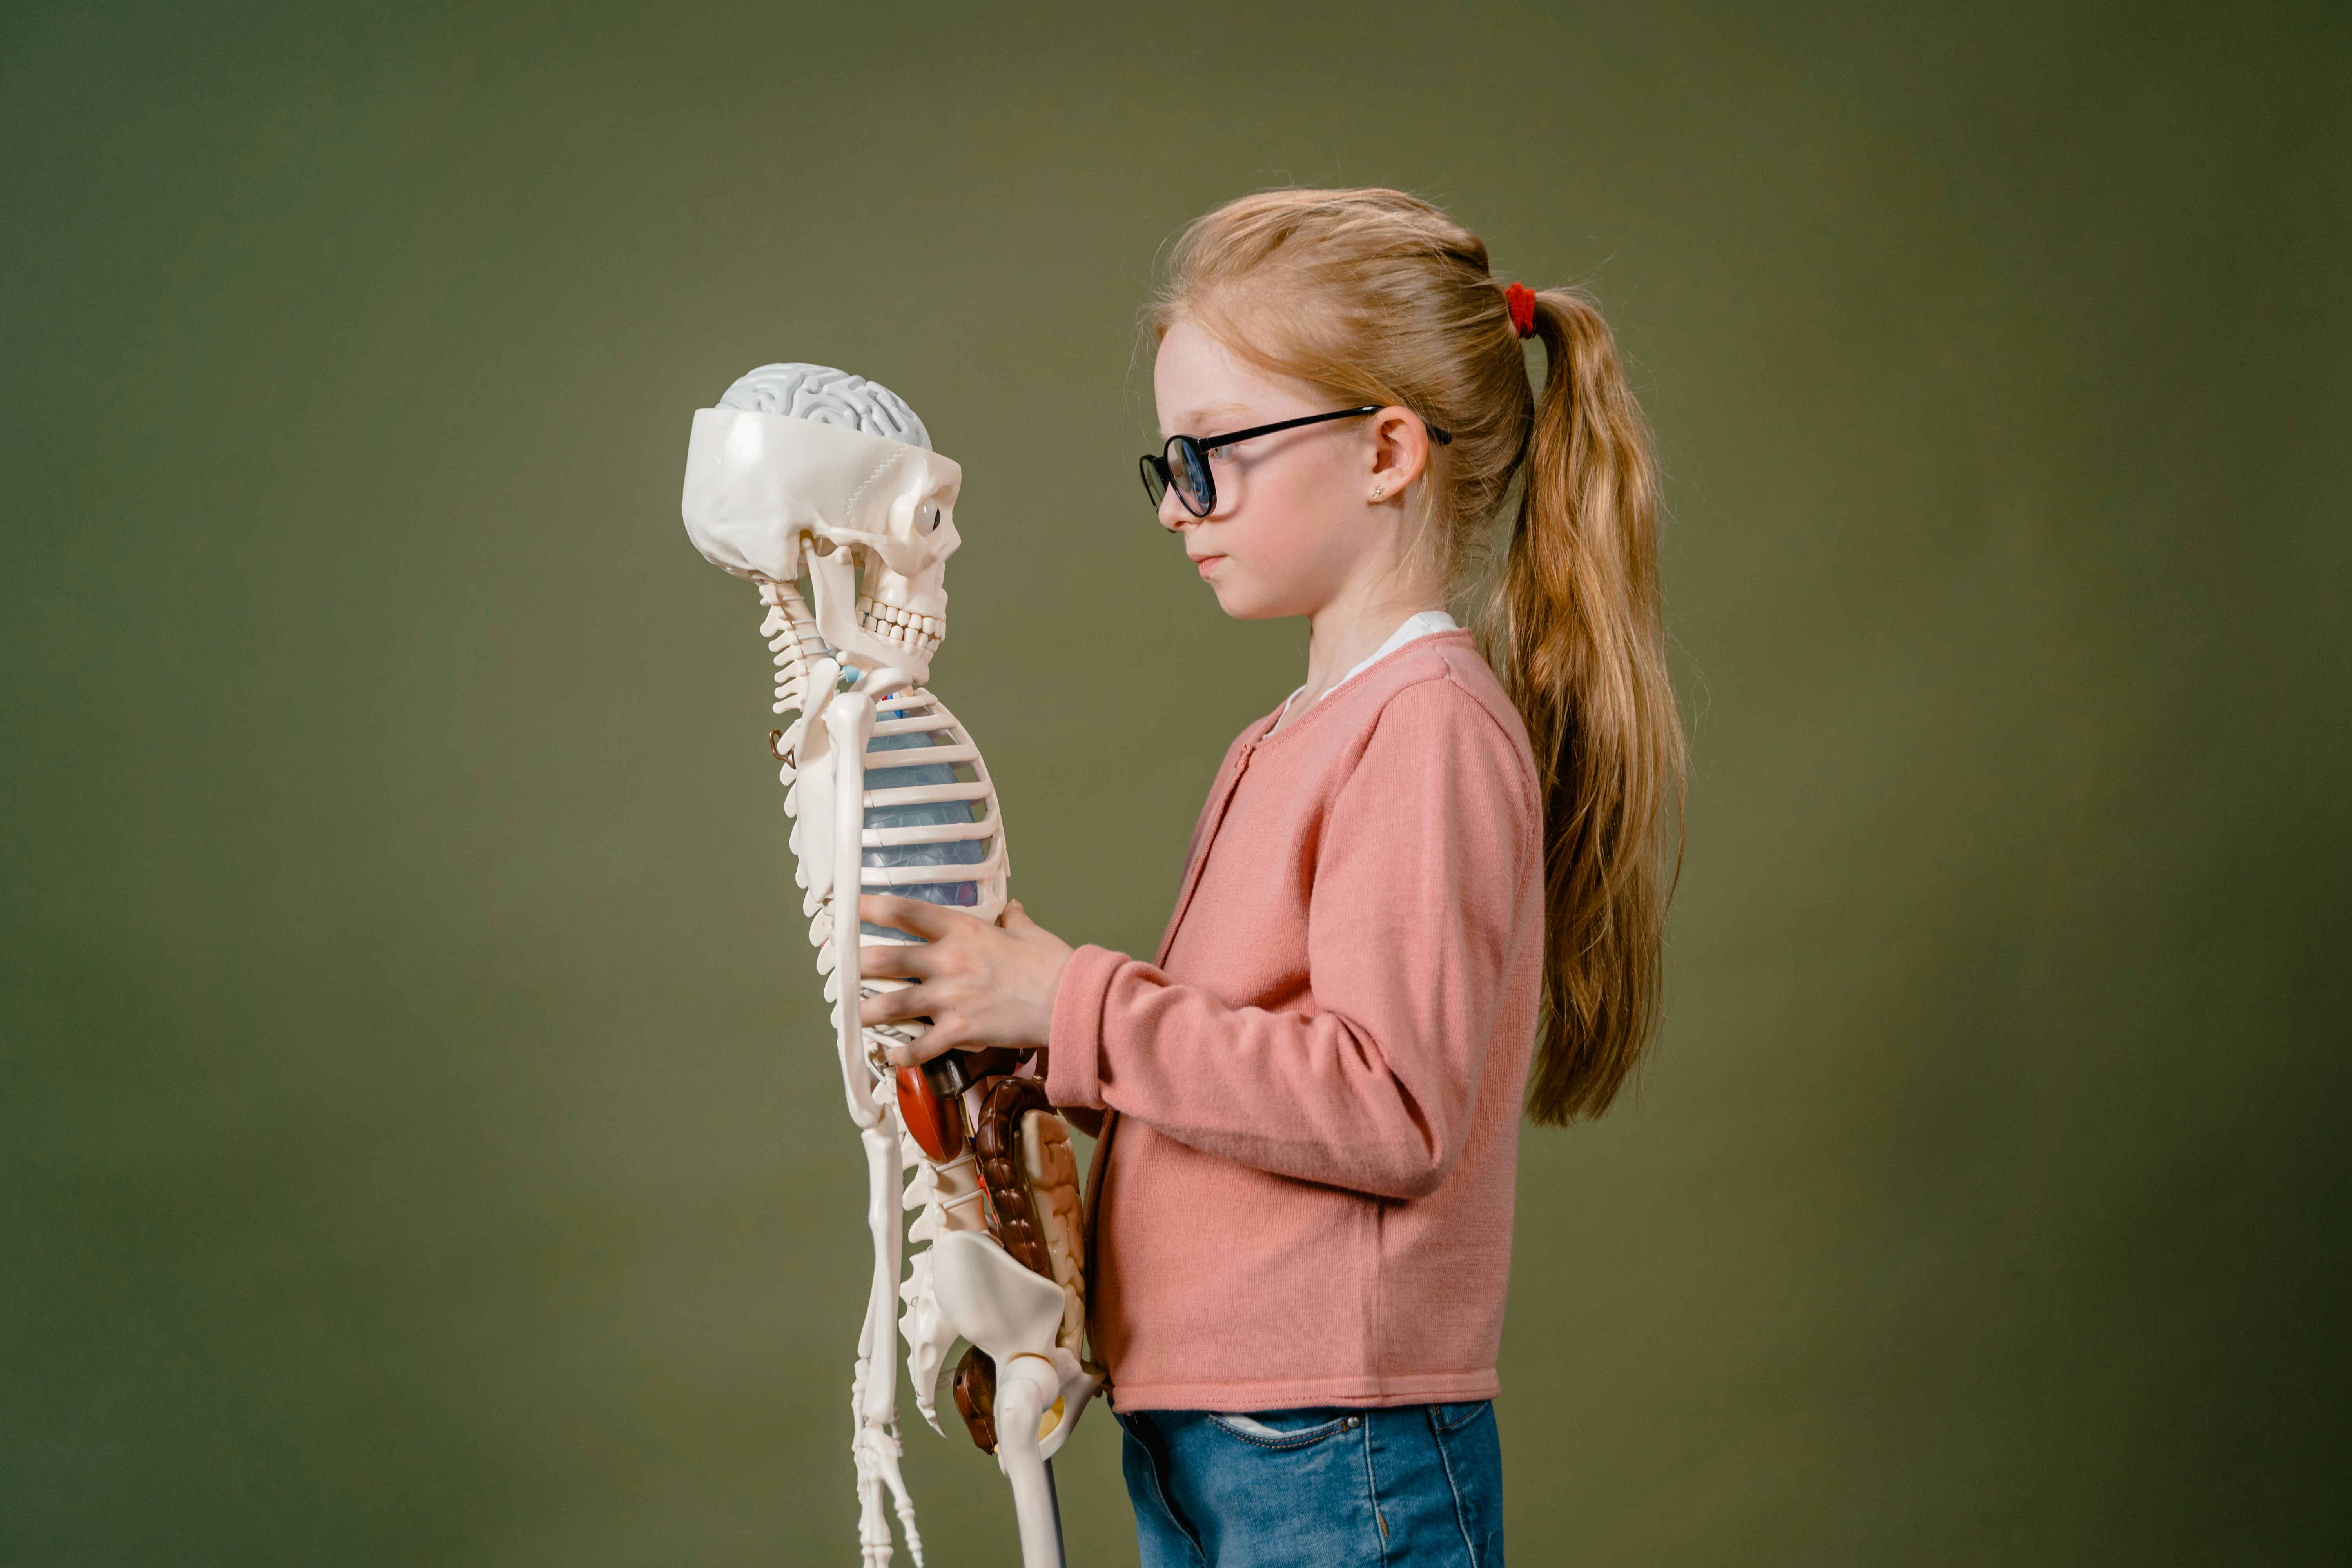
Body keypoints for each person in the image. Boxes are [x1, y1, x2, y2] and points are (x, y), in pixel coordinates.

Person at [856, 187, 1685, 1568]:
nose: (1182, 506)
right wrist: (1035, 1040)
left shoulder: (1425, 728)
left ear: (1387, 450)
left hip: (1331, 1442)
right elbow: (1243, 1076)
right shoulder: (1292, 735)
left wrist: (1077, 999)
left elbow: (1387, 1103)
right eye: (1169, 463)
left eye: (1216, 455)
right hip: (1217, 1425)